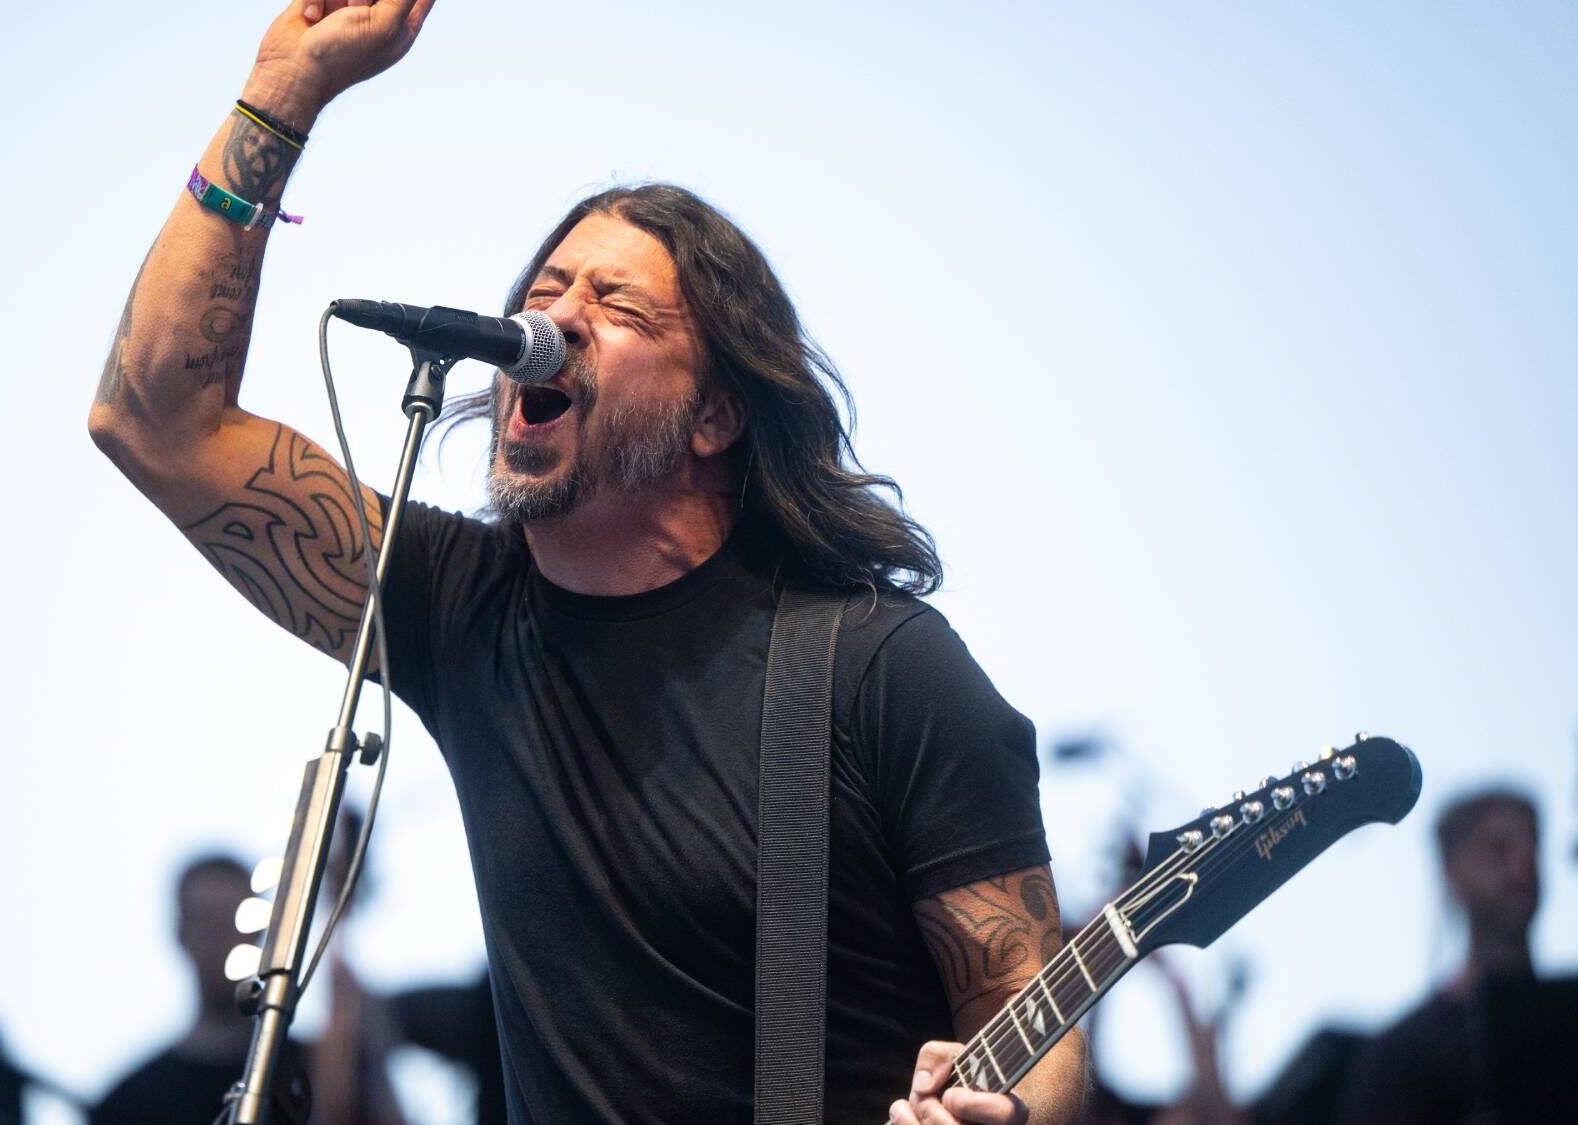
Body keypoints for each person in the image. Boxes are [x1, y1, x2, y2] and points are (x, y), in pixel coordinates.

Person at [87, 3, 1087, 1121]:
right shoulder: (464, 610)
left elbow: (1030, 1007)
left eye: (614, 305)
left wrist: (1008, 1115)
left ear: (715, 415)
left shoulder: (880, 666)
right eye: (544, 291)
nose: (555, 321)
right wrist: (281, 93)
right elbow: (155, 419)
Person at [93, 853, 404, 1125]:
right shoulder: (129, 1104)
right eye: (210, 924)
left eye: (238, 924)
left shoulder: (315, 1071)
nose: (226, 940)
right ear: (181, 933)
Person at [1337, 788, 1541, 1125]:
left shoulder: (1576, 1029)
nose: (1523, 868)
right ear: (1452, 870)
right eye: (1498, 849)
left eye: (1532, 847)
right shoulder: (1404, 1052)